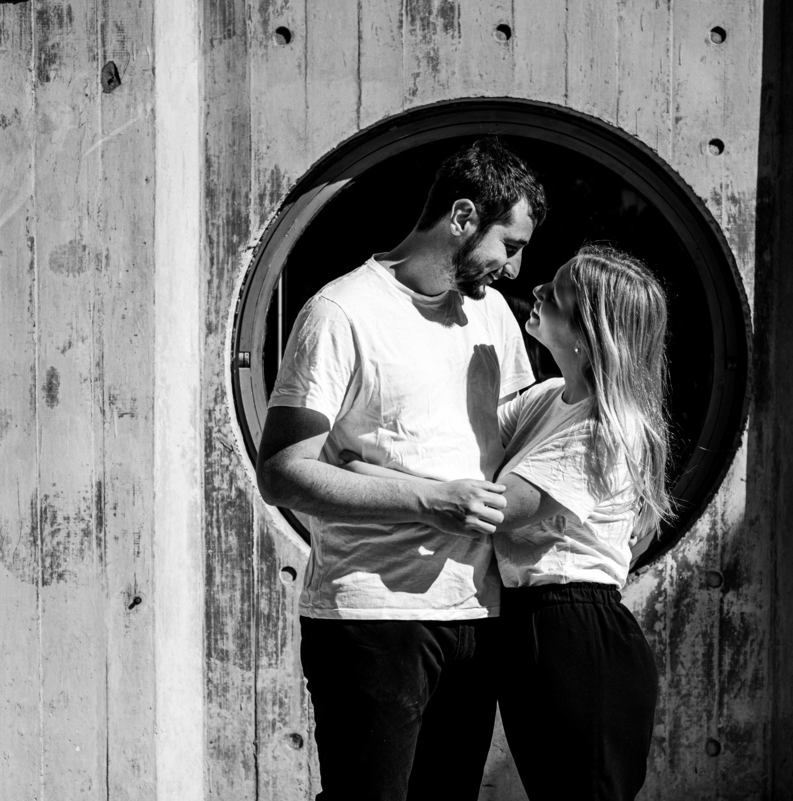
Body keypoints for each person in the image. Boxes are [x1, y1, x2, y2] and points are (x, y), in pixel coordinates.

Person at [255, 136, 547, 801]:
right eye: (510, 243)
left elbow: (518, 445)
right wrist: (428, 501)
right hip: (371, 618)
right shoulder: (342, 311)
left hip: (476, 613)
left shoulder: (492, 315)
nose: (514, 266)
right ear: (465, 217)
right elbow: (284, 472)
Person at [343, 243, 671, 801]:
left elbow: (489, 510)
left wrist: (354, 471)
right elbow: (452, 450)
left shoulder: (603, 429)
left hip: (576, 629)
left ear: (590, 331)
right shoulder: (547, 399)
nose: (538, 289)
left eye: (558, 292)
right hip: (532, 626)